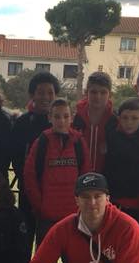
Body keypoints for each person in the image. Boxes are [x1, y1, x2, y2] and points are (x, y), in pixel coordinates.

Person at [24, 98, 92, 246]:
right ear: (50, 118)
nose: (62, 121)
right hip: (47, 215)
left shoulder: (79, 142)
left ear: (72, 117)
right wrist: (39, 205)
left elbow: (86, 176)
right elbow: (30, 175)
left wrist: (82, 205)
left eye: (66, 116)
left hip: (73, 214)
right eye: (57, 116)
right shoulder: (42, 141)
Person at [9, 71, 59, 251]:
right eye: (41, 92)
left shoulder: (60, 123)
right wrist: (27, 181)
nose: (45, 97)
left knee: (48, 243)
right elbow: (15, 156)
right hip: (28, 190)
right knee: (24, 240)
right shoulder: (22, 123)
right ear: (32, 95)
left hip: (54, 194)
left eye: (50, 92)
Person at [104, 97, 139, 231]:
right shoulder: (113, 137)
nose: (129, 122)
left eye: (134, 118)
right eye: (125, 118)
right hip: (116, 199)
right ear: (119, 118)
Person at [72, 71, 114, 173]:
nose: (98, 97)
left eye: (103, 92)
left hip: (107, 177)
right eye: (93, 92)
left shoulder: (115, 121)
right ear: (86, 93)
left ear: (110, 94)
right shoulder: (76, 119)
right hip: (79, 175)